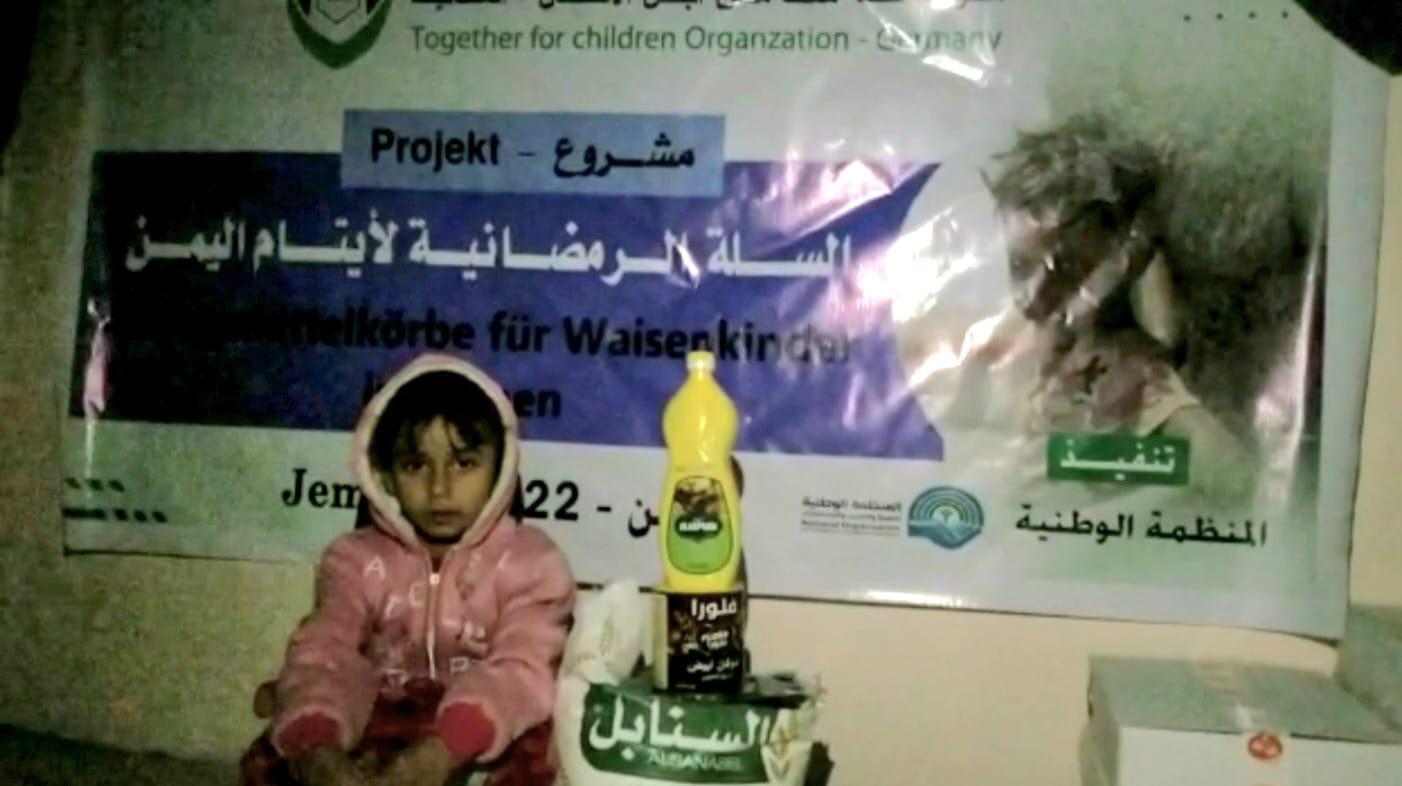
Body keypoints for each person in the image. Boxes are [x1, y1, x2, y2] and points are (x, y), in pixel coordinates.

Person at [241, 353, 575, 786]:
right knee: (276, 755)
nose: (439, 488)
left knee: (536, 752)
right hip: (381, 715)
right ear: (384, 476)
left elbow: (523, 671)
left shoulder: (532, 563)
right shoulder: (354, 560)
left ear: (501, 469)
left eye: (464, 463)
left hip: (484, 727)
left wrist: (445, 749)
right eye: (415, 465)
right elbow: (326, 653)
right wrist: (318, 744)